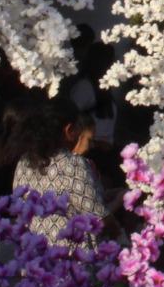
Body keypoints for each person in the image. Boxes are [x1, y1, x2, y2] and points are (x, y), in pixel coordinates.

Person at [11, 96, 108, 245]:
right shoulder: (72, 163)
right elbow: (99, 220)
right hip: (69, 259)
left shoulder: (24, 163)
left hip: (34, 255)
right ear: (69, 130)